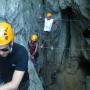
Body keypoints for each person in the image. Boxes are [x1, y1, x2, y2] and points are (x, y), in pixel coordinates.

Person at [0, 21, 29, 90]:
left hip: (21, 83)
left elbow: (14, 84)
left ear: (11, 43)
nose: (0, 53)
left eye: (4, 49)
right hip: (5, 78)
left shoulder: (21, 53)